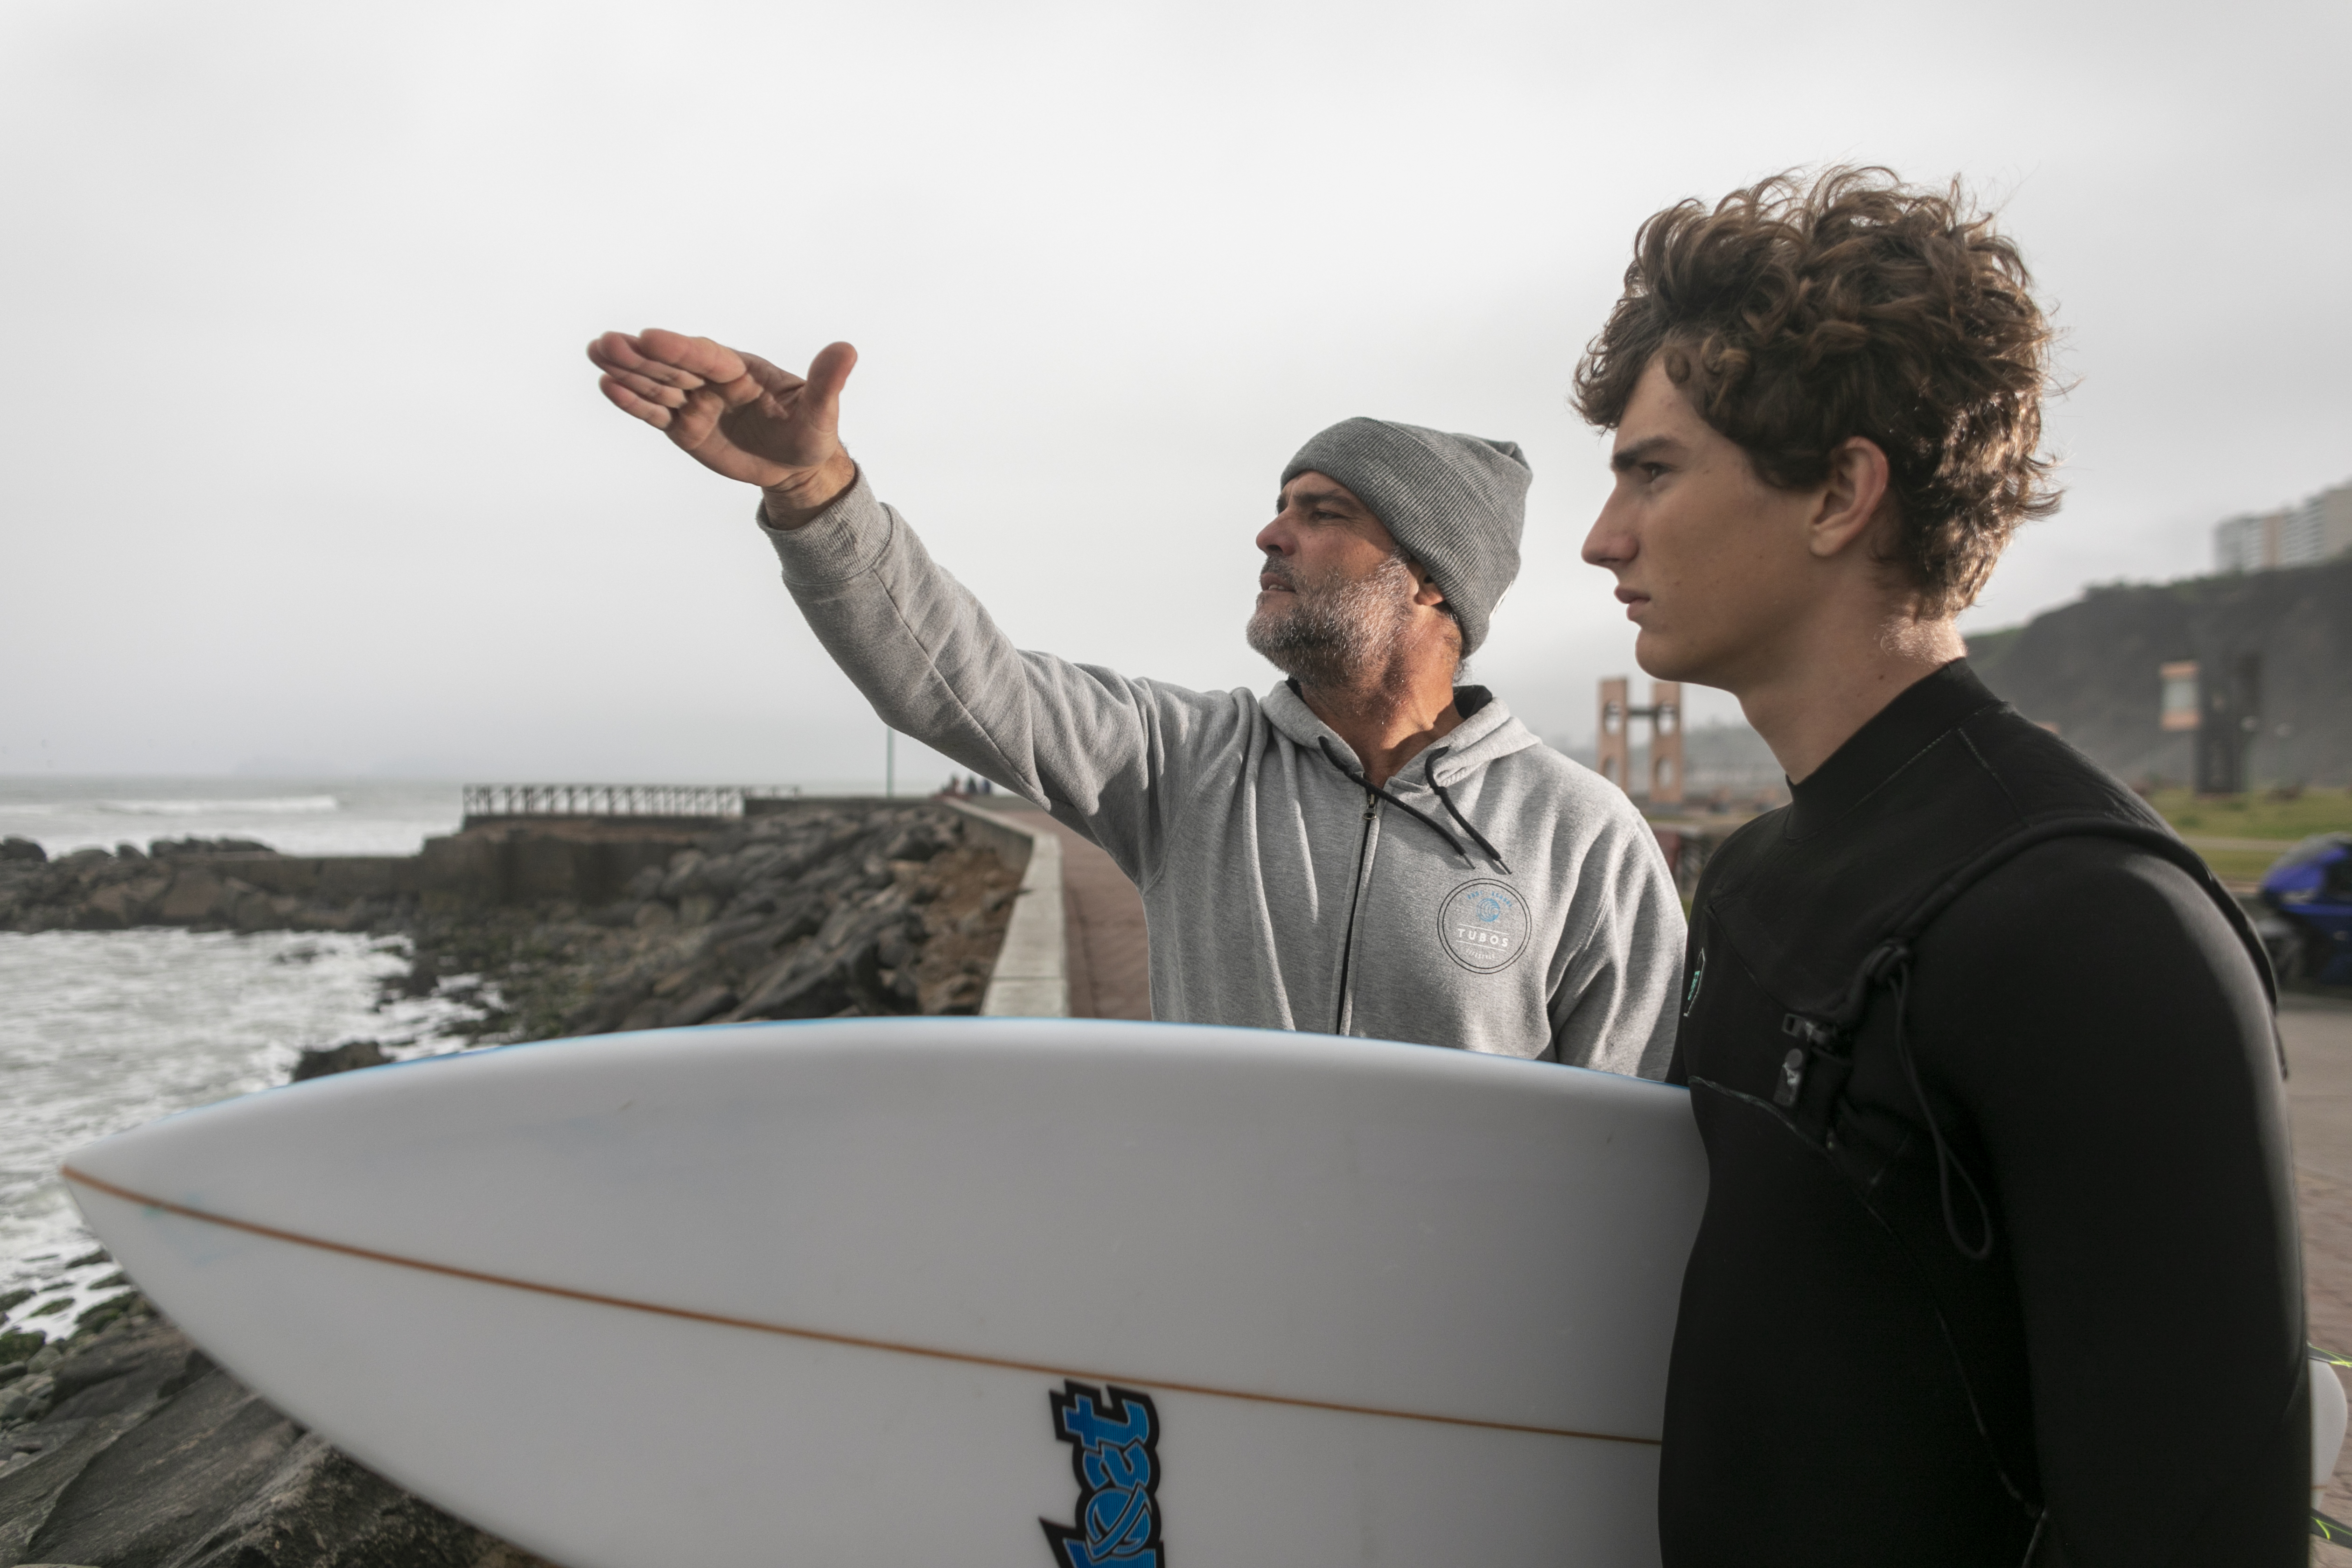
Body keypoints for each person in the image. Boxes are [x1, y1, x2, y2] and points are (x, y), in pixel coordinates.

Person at [1575, 167, 2307, 1563]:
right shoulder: (1756, 877)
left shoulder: (2094, 928)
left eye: (1652, 471)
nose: (1604, 536)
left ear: (1842, 492)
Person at [584, 329, 1684, 1073]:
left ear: (1432, 580)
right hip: (1211, 1328)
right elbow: (956, 679)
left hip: (1461, 1345)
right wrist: (813, 491)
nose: (1271, 533)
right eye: (1281, 505)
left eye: (1323, 513)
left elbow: (1623, 1152)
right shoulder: (1187, 762)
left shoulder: (1581, 839)